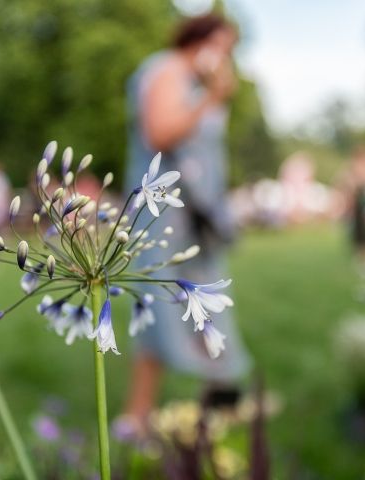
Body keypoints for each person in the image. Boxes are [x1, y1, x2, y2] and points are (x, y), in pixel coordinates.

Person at [120, 13, 251, 435]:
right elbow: (159, 132)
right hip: (164, 214)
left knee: (207, 304)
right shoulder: (167, 70)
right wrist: (212, 98)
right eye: (220, 46)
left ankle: (219, 403)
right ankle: (136, 417)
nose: (224, 57)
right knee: (158, 307)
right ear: (198, 40)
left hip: (194, 214)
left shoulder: (191, 84)